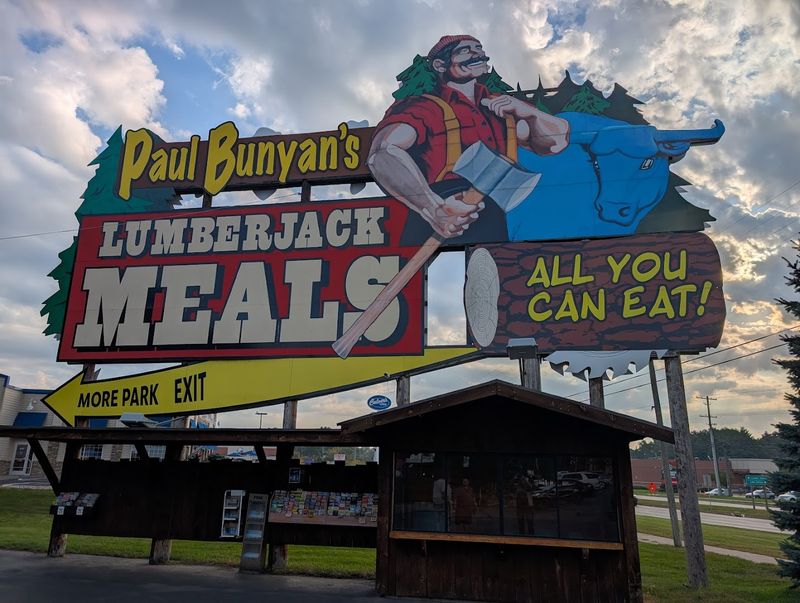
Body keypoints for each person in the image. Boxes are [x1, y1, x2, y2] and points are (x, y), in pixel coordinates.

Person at [368, 34, 570, 244]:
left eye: (479, 48)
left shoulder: (500, 107)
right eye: (465, 50)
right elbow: (383, 152)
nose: (478, 54)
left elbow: (556, 142)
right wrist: (434, 208)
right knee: (409, 275)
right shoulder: (425, 107)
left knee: (490, 273)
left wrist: (530, 113)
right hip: (433, 210)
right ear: (440, 65)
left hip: (493, 216)